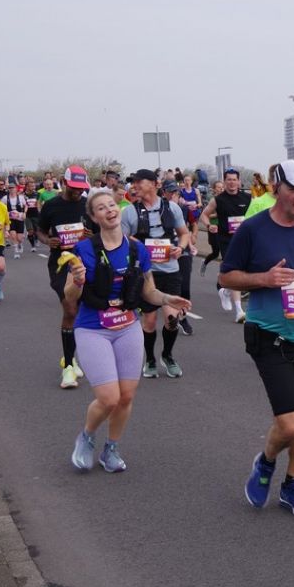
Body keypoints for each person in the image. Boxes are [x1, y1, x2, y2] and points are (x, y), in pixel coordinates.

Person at [219, 159, 294, 519]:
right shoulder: (253, 230)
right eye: (293, 190)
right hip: (269, 335)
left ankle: (292, 486)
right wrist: (264, 279)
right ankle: (266, 461)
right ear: (276, 189)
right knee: (289, 424)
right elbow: (226, 277)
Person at [66, 187, 191, 473]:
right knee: (108, 397)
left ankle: (111, 448)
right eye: (101, 208)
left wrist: (167, 299)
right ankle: (86, 437)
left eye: (112, 205)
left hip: (127, 326)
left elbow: (148, 292)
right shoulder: (83, 250)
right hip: (93, 328)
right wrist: (78, 281)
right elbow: (70, 297)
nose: (109, 210)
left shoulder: (137, 249)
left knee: (126, 396)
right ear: (94, 217)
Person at [121, 169, 190, 378]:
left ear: (154, 184)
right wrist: (138, 245)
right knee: (149, 321)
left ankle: (167, 355)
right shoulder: (129, 212)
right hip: (146, 273)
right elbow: (121, 239)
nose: (135, 186)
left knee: (172, 319)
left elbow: (184, 234)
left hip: (170, 271)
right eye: (133, 183)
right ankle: (150, 359)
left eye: (139, 182)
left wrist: (181, 248)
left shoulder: (172, 208)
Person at [38, 167, 92, 388]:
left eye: (81, 188)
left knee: (80, 311)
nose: (78, 192)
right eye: (74, 188)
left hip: (85, 262)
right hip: (61, 264)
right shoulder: (51, 205)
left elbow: (101, 233)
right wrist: (47, 240)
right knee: (70, 309)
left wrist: (92, 236)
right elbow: (40, 231)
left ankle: (70, 356)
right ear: (63, 182)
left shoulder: (88, 205)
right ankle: (68, 366)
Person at [201, 168, 250, 318]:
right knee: (234, 271)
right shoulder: (218, 200)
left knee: (246, 270)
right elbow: (204, 215)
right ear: (224, 181)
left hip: (244, 239)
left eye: (234, 180)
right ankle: (239, 310)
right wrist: (209, 225)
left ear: (239, 181)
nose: (232, 182)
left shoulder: (247, 198)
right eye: (229, 180)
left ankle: (226, 291)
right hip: (226, 240)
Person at [161, 177, 195, 336]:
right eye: (170, 191)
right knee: (171, 286)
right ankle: (177, 315)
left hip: (183, 249)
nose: (174, 194)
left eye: (176, 191)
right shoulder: (158, 209)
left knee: (185, 286)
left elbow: (192, 225)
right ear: (164, 193)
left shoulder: (184, 209)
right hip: (166, 251)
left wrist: (192, 240)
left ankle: (182, 316)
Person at [3, 181, 31, 260]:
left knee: (19, 238)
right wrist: (5, 213)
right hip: (10, 219)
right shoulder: (5, 198)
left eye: (13, 188)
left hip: (20, 218)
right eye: (10, 188)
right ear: (8, 189)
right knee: (13, 235)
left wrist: (24, 213)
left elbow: (26, 205)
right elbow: (1, 207)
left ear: (16, 189)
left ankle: (20, 244)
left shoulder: (21, 197)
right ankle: (16, 252)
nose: (11, 189)